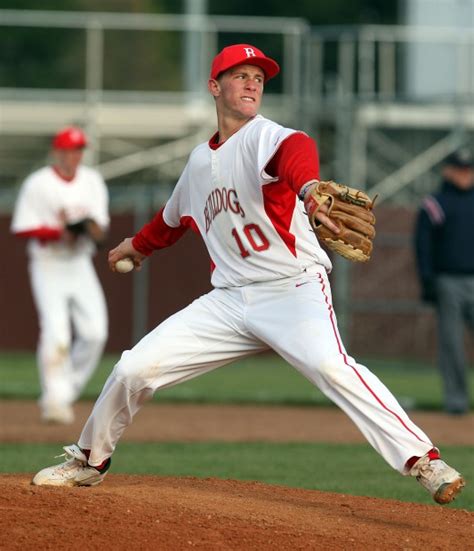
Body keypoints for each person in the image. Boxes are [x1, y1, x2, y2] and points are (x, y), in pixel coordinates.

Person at [32, 44, 465, 504]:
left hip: (292, 288)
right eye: (240, 75)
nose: (253, 82)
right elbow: (173, 218)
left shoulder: (266, 136)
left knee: (331, 367)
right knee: (134, 368)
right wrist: (136, 247)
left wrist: (312, 188)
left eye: (258, 76)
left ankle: (424, 460)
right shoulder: (199, 161)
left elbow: (296, 151)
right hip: (229, 301)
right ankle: (88, 460)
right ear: (215, 87)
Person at [11, 126, 109, 424]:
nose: (74, 156)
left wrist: (89, 230)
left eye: (79, 150)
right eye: (69, 150)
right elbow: (22, 227)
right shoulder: (38, 183)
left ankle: (64, 393)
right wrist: (59, 231)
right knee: (57, 332)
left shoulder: (92, 180)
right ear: (57, 152)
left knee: (95, 333)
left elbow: (99, 228)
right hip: (48, 263)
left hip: (80, 261)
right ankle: (54, 401)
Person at [414, 149, 474, 415]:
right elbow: (422, 245)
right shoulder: (435, 203)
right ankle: (457, 402)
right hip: (448, 280)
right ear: (447, 171)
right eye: (459, 169)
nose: (464, 175)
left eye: (468, 169)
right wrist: (427, 280)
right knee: (451, 344)